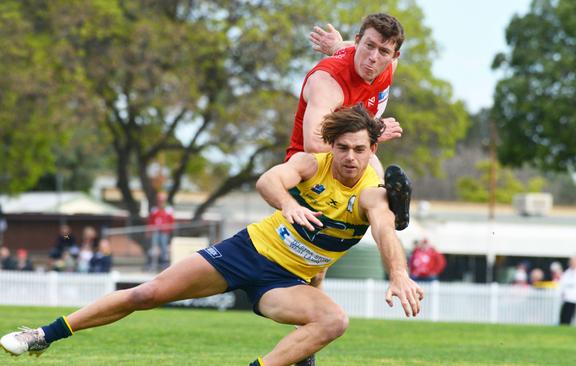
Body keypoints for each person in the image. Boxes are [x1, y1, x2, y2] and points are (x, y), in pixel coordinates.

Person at [0, 105, 424, 365]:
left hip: (284, 282)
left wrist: (398, 274)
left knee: (335, 320)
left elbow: (385, 231)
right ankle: (42, 335)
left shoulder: (372, 192)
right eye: (343, 148)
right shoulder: (314, 164)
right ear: (331, 145)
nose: (350, 157)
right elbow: (269, 180)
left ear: (373, 150)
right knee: (145, 295)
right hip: (245, 251)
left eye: (359, 149)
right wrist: (289, 204)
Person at [293, 13, 410, 231]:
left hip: (348, 162)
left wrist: (338, 44)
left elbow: (367, 49)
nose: (373, 57)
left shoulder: (387, 67)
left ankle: (390, 209)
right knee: (307, 262)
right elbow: (314, 144)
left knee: (376, 184)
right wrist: (371, 134)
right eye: (368, 46)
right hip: (308, 169)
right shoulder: (327, 82)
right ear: (357, 41)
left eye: (384, 51)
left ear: (394, 56)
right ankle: (384, 204)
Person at [146, 192, 175, 270]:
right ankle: (152, 264)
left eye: (162, 199)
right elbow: (151, 221)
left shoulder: (168, 209)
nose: (161, 200)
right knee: (153, 247)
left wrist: (169, 230)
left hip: (164, 232)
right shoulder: (154, 209)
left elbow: (171, 221)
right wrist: (149, 231)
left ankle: (164, 264)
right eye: (159, 199)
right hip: (155, 231)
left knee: (164, 248)